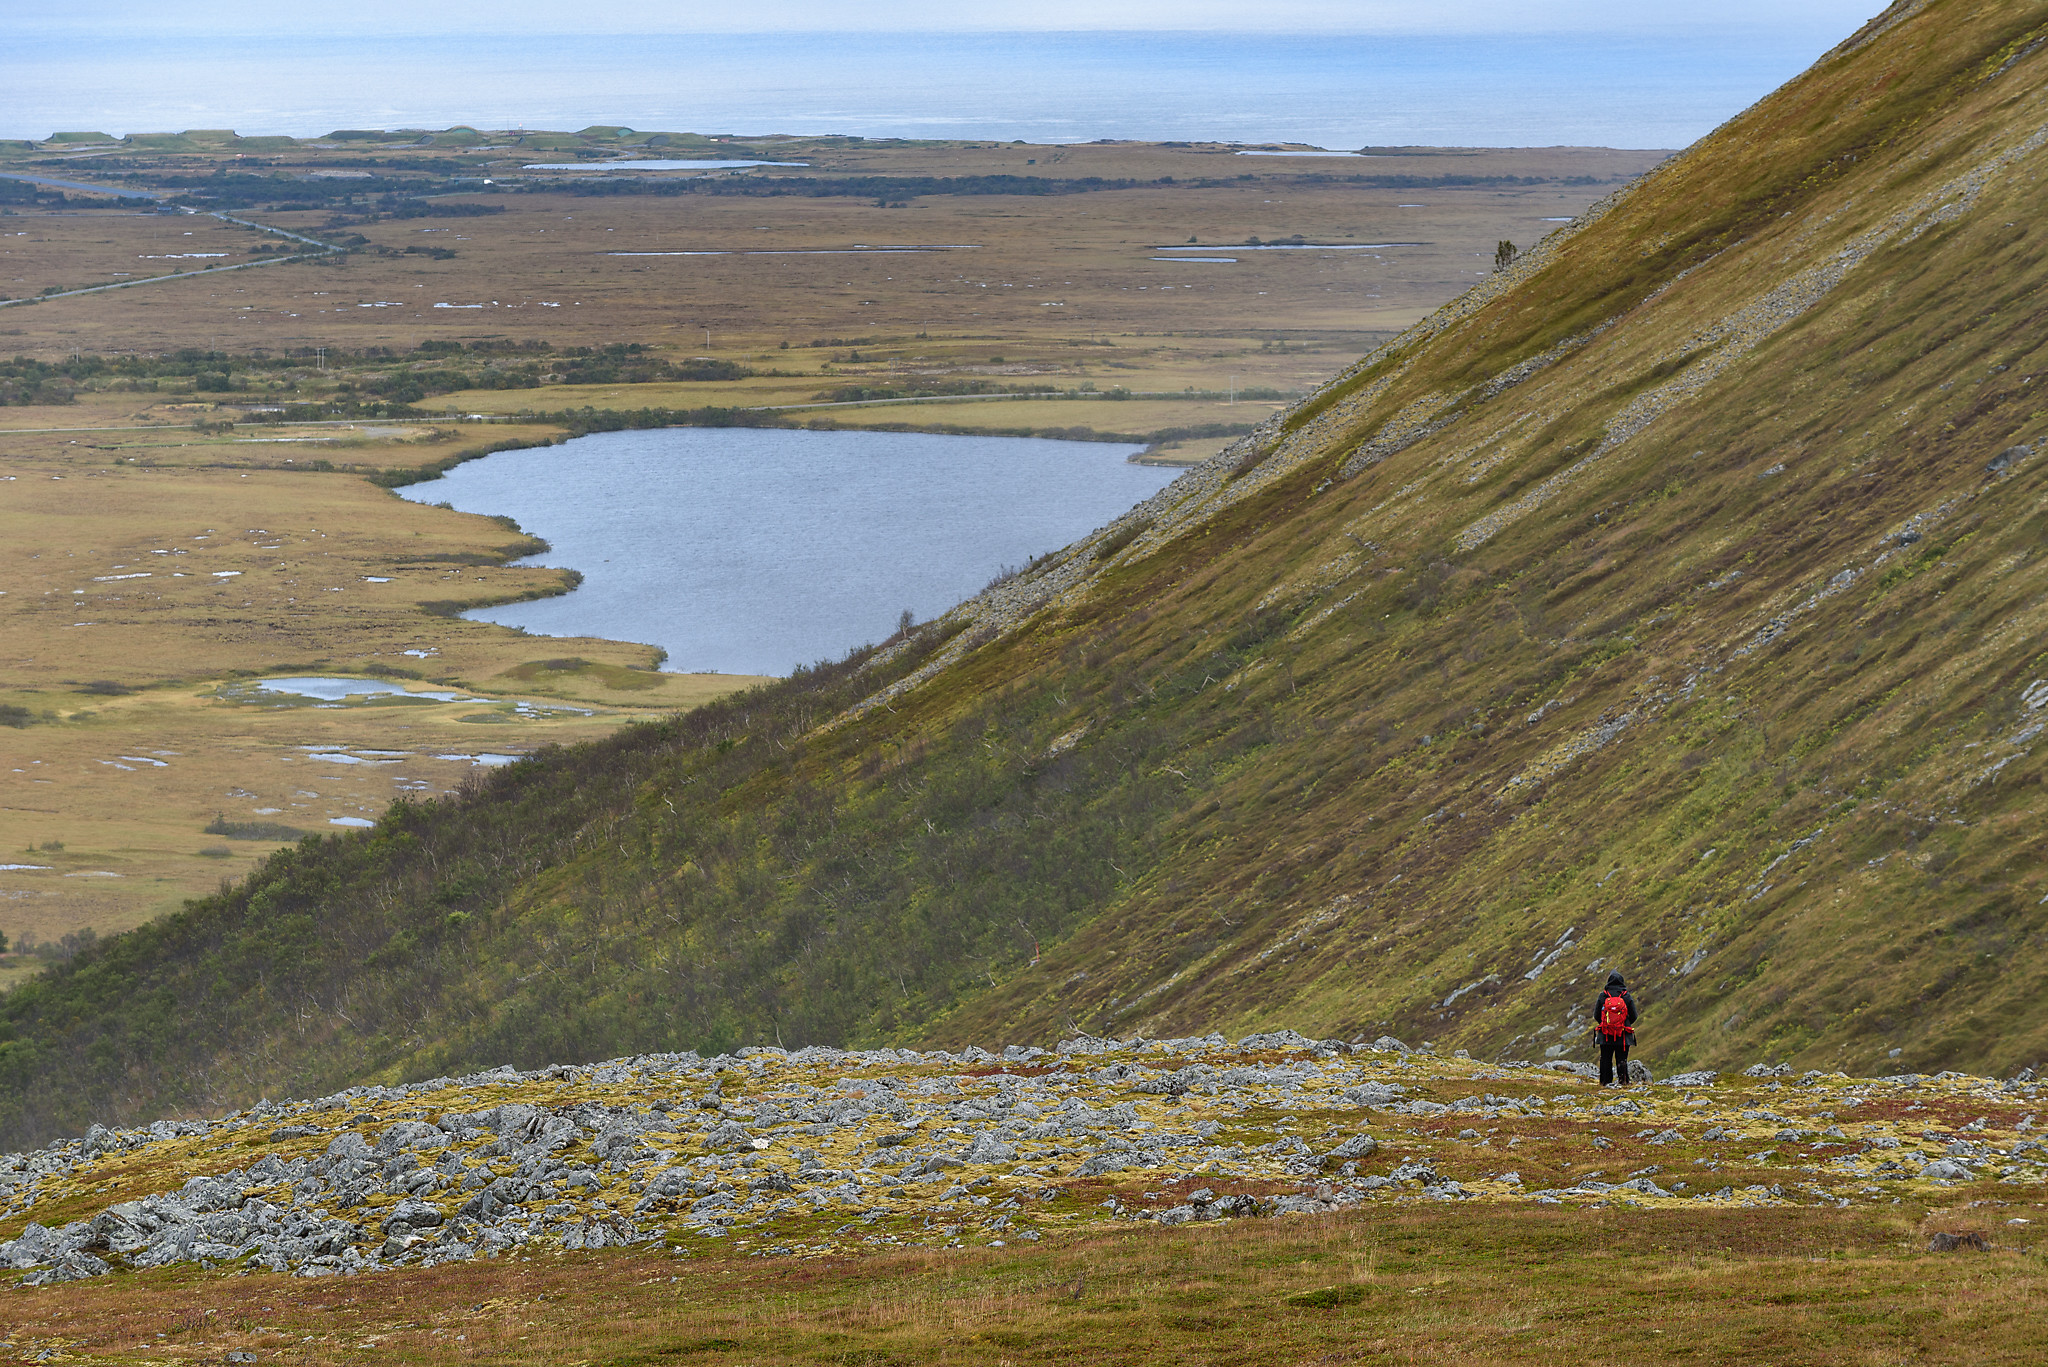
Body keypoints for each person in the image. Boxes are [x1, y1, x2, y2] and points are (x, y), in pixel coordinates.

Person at [1594, 971, 1638, 1086]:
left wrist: (1606, 1024)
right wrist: (1625, 1024)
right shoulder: (1626, 996)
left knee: (1605, 1058)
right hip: (1623, 1035)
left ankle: (1605, 1082)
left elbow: (1596, 1015)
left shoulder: (1603, 995)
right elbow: (1634, 1015)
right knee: (1622, 1058)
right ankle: (1623, 1081)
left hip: (1605, 1035)